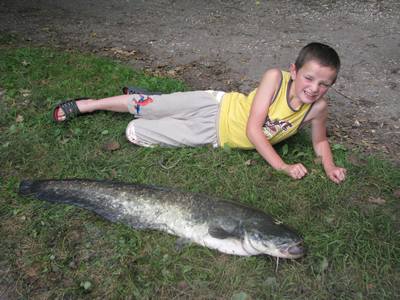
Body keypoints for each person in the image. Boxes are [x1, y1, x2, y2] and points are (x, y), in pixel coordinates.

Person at [53, 42, 346, 183]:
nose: (314, 88)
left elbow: (320, 142)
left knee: (135, 132)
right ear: (294, 71)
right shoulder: (276, 78)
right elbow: (253, 130)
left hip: (213, 134)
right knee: (148, 107)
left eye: (324, 84)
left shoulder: (317, 107)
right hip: (215, 105)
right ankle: (90, 103)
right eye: (309, 78)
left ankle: (149, 101)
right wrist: (282, 166)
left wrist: (329, 166)